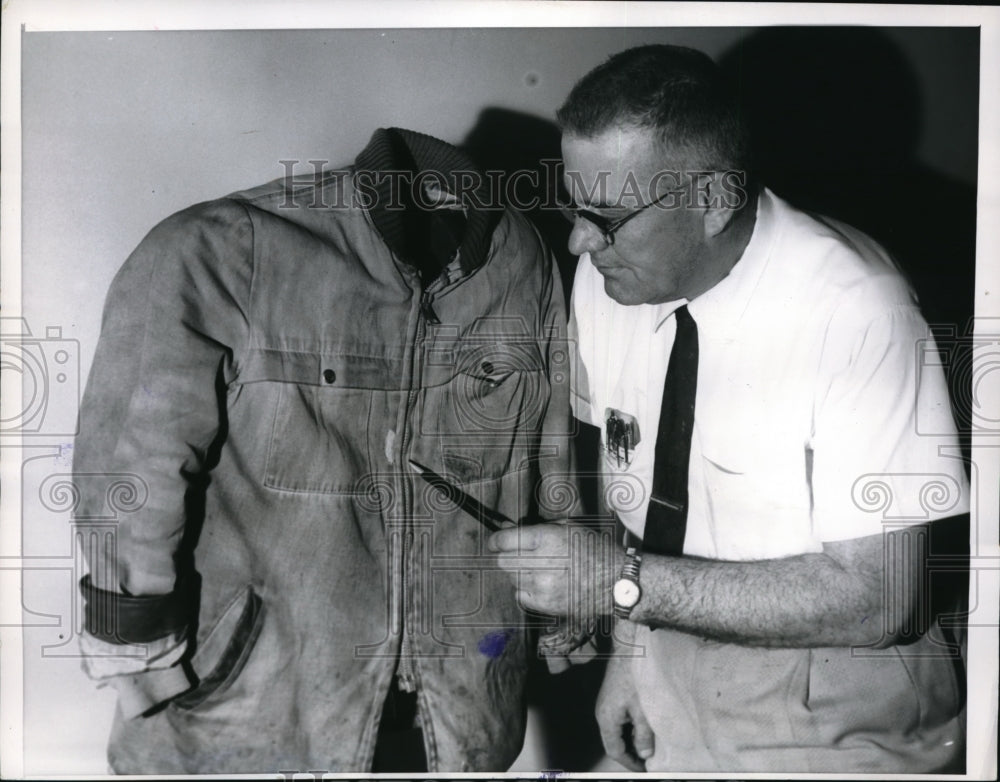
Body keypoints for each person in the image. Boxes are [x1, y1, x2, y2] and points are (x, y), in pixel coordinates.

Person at [489, 45, 970, 774]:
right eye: (573, 207)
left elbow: (886, 599)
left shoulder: (855, 308)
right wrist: (631, 651)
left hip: (835, 703)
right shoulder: (608, 278)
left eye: (607, 218)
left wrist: (619, 583)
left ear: (712, 201)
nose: (579, 242)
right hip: (670, 664)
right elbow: (636, 488)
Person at [72, 127, 573, 773]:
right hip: (251, 705)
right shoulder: (222, 249)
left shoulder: (525, 258)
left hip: (453, 714)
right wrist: (137, 653)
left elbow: (553, 446)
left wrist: (564, 620)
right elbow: (129, 469)